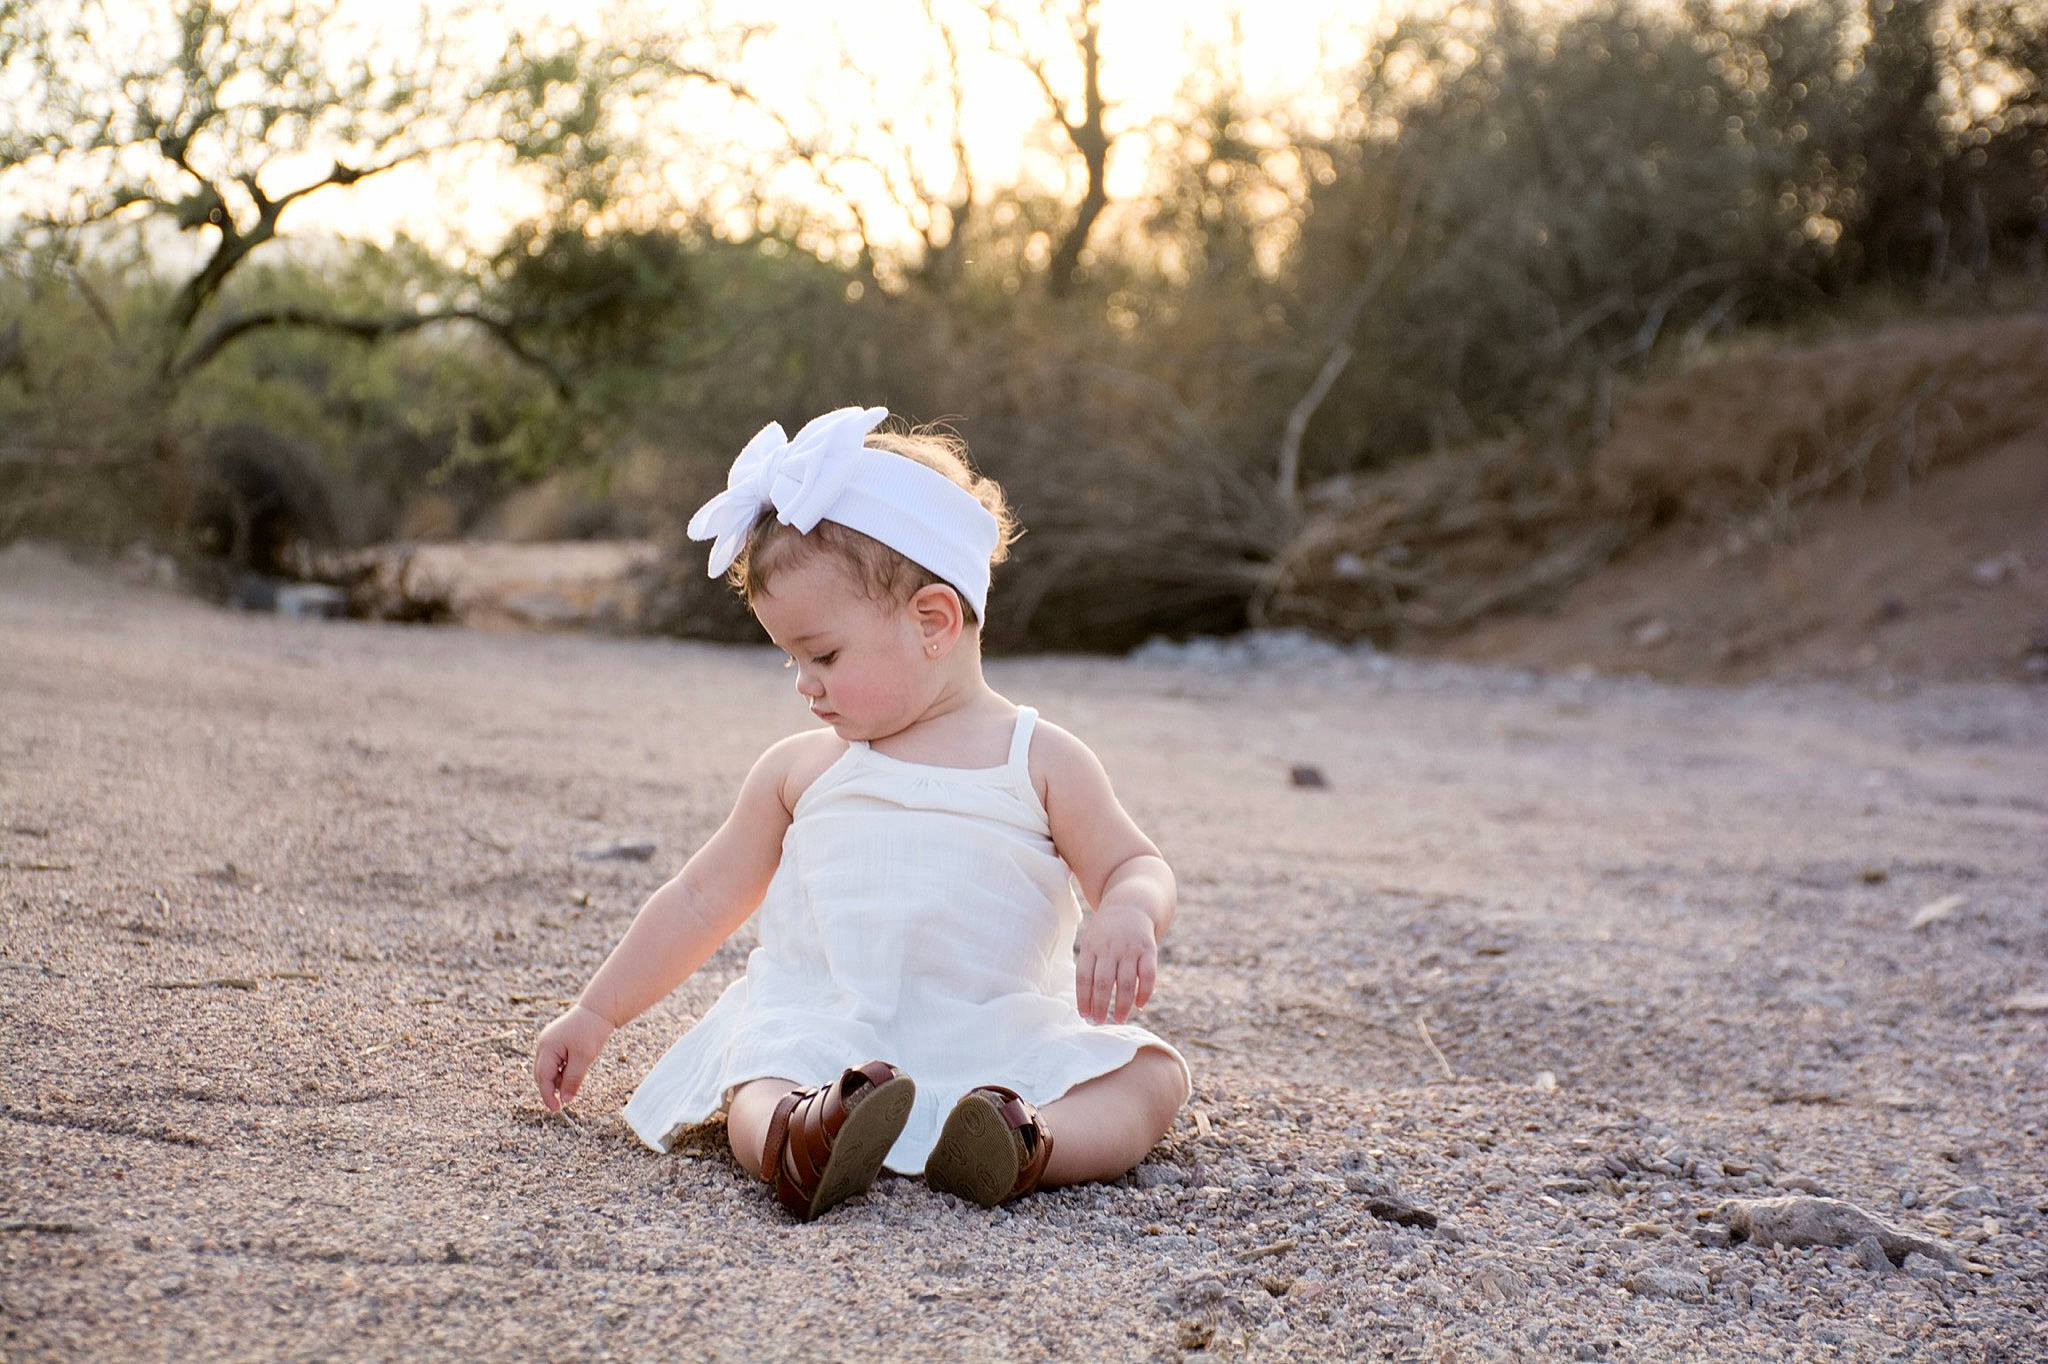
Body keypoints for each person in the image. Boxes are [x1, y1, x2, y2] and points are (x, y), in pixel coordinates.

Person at [531, 406, 1190, 1220]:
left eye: (825, 656)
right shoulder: (800, 772)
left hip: (993, 1036)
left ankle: (1025, 1143)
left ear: (933, 623)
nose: (804, 683)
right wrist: (597, 1011)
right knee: (758, 1065)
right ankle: (800, 1140)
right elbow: (700, 900)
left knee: (1150, 1075)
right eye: (791, 659)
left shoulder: (1039, 758)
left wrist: (1128, 909)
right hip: (829, 1031)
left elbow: (1135, 863)